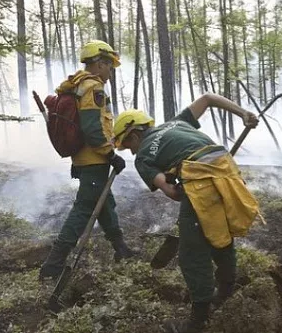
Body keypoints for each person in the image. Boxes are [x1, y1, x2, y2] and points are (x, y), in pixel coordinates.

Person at [112, 94, 259, 333]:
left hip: (202, 184)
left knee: (192, 254)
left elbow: (172, 192)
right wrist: (243, 113)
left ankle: (197, 322)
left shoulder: (143, 158)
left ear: (135, 135)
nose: (130, 151)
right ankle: (224, 293)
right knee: (220, 235)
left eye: (127, 145)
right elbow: (209, 98)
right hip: (229, 173)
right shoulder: (177, 122)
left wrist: (177, 183)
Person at [39, 40, 134, 280]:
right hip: (94, 160)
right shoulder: (94, 88)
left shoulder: (78, 85)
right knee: (83, 209)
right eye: (109, 66)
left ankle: (120, 248)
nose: (111, 71)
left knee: (104, 203)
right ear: (100, 64)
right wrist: (111, 155)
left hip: (84, 160)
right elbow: (92, 129)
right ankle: (54, 263)